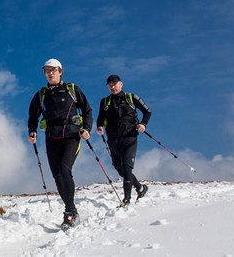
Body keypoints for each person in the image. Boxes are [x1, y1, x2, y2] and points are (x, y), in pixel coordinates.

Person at [27, 58, 93, 229]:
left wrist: (87, 128)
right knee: (57, 176)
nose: (50, 73)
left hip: (72, 137)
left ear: (60, 71)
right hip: (52, 138)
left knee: (64, 170)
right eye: (46, 71)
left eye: (53, 70)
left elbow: (87, 110)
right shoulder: (41, 95)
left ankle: (69, 211)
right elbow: (33, 115)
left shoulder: (72, 90)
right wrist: (32, 131)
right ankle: (72, 209)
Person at [96, 74, 152, 206]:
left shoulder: (131, 98)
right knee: (120, 169)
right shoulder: (105, 102)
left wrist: (143, 124)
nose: (112, 87)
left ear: (121, 84)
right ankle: (140, 188)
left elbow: (148, 111)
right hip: (113, 140)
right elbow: (100, 118)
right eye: (110, 85)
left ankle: (126, 199)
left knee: (127, 168)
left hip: (129, 137)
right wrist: (99, 126)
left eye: (114, 84)